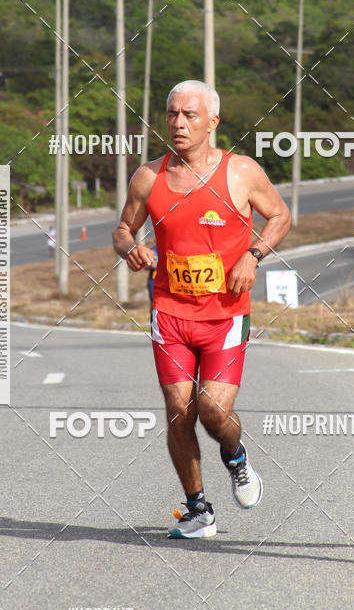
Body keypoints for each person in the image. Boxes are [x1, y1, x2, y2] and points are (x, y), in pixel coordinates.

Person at [113, 80, 291, 538]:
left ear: (213, 122)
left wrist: (253, 256)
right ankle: (197, 509)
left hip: (226, 315)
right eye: (172, 113)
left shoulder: (241, 172)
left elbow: (280, 215)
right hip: (170, 311)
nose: (178, 123)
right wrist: (131, 247)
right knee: (178, 409)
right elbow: (121, 229)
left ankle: (237, 459)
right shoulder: (148, 177)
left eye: (189, 115)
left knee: (212, 411)